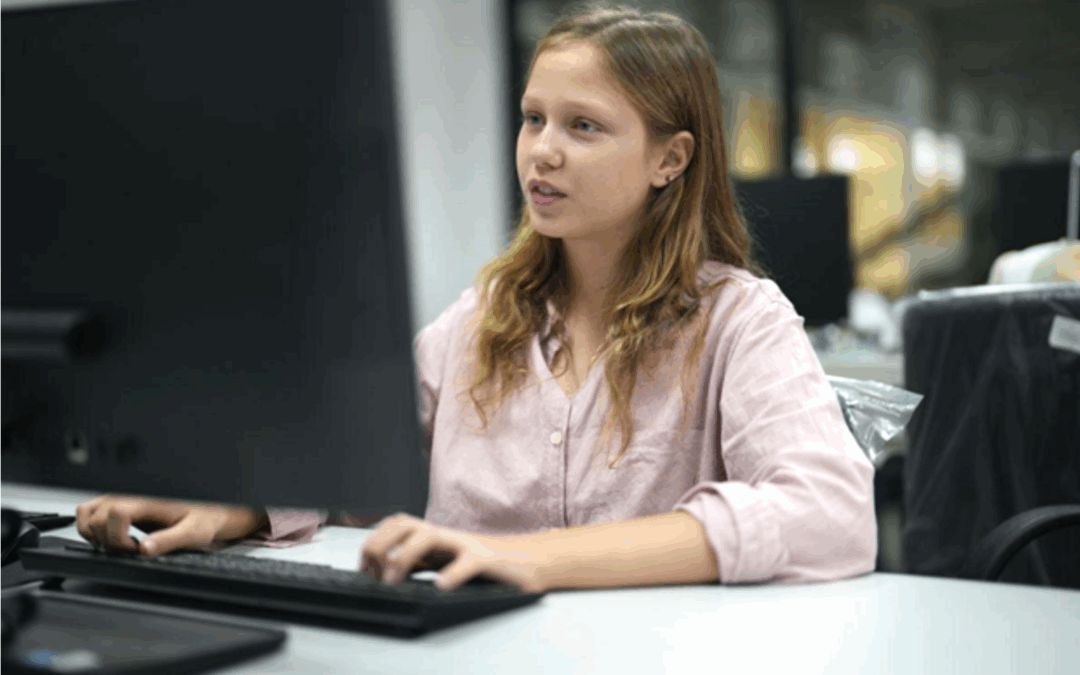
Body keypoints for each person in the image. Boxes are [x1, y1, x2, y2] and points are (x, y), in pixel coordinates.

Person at [76, 4, 876, 593]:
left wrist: (528, 558)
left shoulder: (739, 319)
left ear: (671, 158)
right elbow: (358, 455)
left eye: (585, 127)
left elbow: (829, 513)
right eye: (533, 119)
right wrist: (233, 508)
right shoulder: (485, 315)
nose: (543, 152)